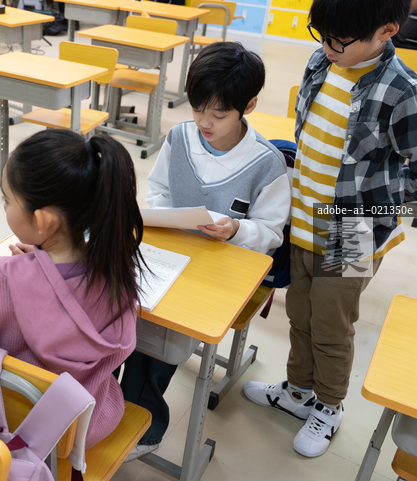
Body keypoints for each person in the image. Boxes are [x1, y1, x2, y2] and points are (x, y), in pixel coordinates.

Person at [243, 0, 417, 458]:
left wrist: (382, 207)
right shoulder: (322, 60)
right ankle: (298, 391)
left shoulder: (403, 90)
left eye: (339, 41)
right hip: (304, 215)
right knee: (299, 312)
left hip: (355, 228)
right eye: (321, 35)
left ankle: (329, 406)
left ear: (387, 30)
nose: (327, 47)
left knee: (331, 326)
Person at [120, 41, 291, 462]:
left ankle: (144, 422)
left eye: (218, 114)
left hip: (222, 270)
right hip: (168, 253)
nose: (204, 122)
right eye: (198, 109)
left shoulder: (266, 163)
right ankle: (110, 406)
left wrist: (236, 229)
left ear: (248, 107)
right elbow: (159, 190)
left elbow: (271, 233)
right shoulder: (181, 137)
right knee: (122, 312)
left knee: (159, 335)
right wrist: (164, 214)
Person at [0, 130, 145, 449]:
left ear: (44, 221)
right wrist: (40, 269)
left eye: (8, 200)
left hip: (7, 424)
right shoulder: (120, 278)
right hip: (82, 426)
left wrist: (26, 273)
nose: (4, 207)